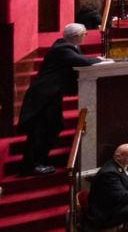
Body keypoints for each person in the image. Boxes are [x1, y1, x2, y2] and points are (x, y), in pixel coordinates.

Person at [19, 23, 105, 174]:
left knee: (54, 126)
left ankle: (40, 160)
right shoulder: (63, 49)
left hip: (51, 95)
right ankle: (32, 165)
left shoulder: (68, 47)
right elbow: (83, 61)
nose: (85, 37)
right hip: (43, 96)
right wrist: (102, 60)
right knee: (40, 130)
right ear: (76, 36)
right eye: (84, 34)